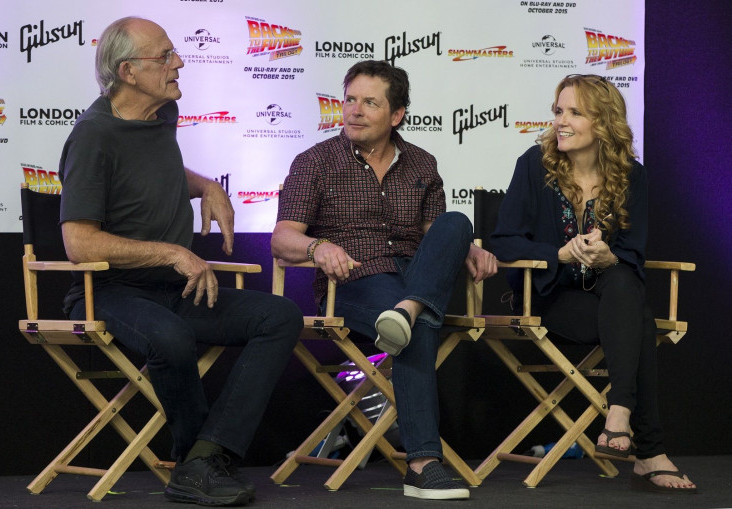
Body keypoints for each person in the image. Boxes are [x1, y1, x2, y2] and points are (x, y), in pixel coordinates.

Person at [58, 17, 303, 507]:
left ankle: (204, 457)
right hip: (111, 292)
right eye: (166, 56)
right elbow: (79, 244)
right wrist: (172, 252)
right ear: (128, 71)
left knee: (280, 316)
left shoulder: (160, 116)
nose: (180, 63)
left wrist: (207, 185)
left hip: (173, 291)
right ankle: (193, 457)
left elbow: (155, 173)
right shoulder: (92, 136)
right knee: (171, 336)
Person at [271, 60, 498, 500]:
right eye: (350, 100)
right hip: (353, 283)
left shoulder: (422, 164)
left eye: (369, 103)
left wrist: (465, 247)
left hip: (413, 278)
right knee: (415, 329)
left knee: (456, 223)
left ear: (396, 115)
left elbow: (437, 236)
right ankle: (422, 463)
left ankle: (408, 311)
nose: (354, 111)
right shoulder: (314, 162)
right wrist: (319, 248)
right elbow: (282, 239)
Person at [490, 74, 696, 494]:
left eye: (574, 113)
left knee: (622, 279)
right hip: (548, 298)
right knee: (638, 314)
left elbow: (633, 254)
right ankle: (648, 448)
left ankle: (621, 416)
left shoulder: (631, 176)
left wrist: (608, 256)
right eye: (558, 111)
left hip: (609, 300)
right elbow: (502, 240)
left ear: (602, 123)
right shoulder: (535, 165)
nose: (560, 122)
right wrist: (560, 254)